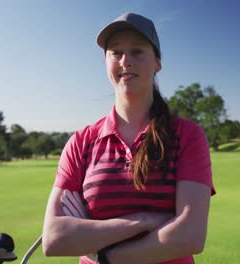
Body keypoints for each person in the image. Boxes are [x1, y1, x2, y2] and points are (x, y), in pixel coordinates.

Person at [42, 12, 216, 264]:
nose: (126, 61)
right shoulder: (81, 142)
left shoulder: (186, 135)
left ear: (157, 62)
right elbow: (54, 238)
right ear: (105, 61)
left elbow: (189, 236)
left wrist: (106, 257)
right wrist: (143, 221)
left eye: (137, 51)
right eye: (116, 52)